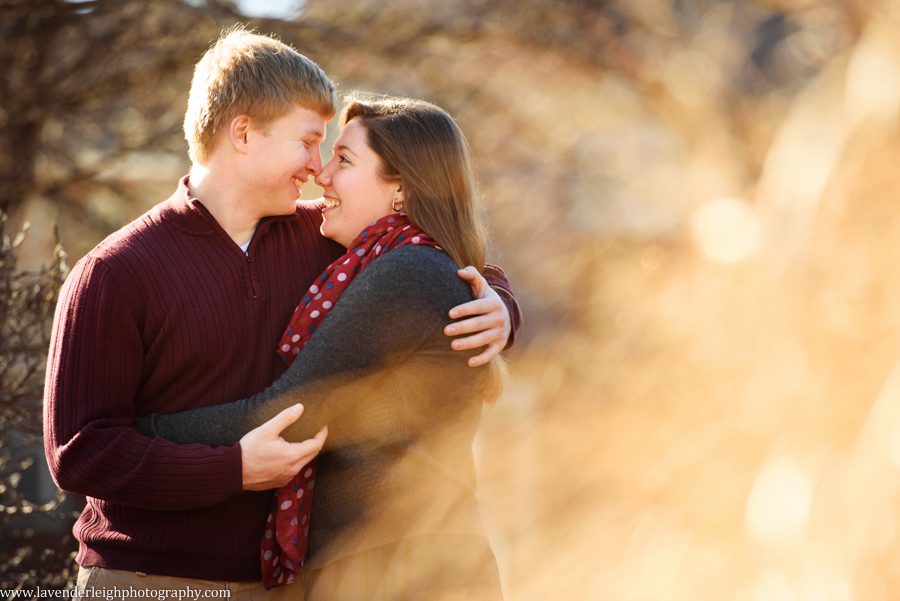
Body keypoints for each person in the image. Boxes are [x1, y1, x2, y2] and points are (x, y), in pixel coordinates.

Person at [43, 29, 521, 599]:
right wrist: (229, 468)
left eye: (333, 153)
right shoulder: (114, 273)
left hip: (282, 583)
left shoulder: (327, 241)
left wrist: (496, 301)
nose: (317, 171)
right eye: (309, 143)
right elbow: (81, 453)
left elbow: (430, 253)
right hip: (150, 579)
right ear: (243, 133)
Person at [136, 94, 507, 601]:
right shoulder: (396, 261)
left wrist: (142, 432)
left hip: (404, 568)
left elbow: (291, 413)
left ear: (402, 188)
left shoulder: (409, 270)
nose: (323, 176)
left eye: (345, 160)